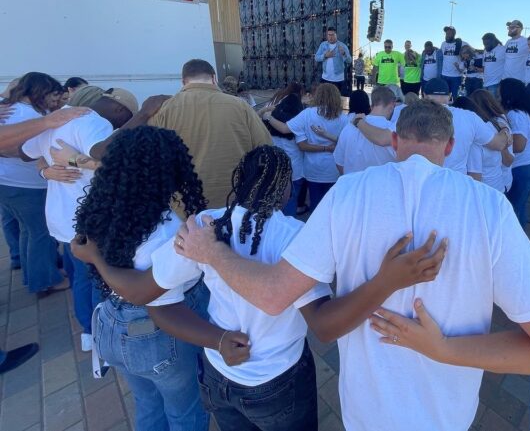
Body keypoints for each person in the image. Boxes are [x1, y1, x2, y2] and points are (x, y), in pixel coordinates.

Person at [175, 99, 530, 431]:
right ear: (450, 146)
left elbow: (274, 295)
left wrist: (212, 252)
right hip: (446, 408)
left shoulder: (348, 194)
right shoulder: (487, 205)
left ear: (395, 142)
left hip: (367, 406)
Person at [73, 145, 445, 431]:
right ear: (284, 191)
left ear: (240, 181)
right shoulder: (296, 237)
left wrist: (215, 340)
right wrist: (384, 282)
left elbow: (153, 298)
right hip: (277, 379)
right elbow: (324, 326)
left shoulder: (205, 224)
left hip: (219, 372)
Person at [73, 126, 209, 431]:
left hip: (113, 325)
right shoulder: (164, 231)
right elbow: (141, 292)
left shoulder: (107, 211)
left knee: (147, 404)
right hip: (156, 335)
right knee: (185, 412)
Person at [21, 84, 140, 351]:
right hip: (89, 218)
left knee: (80, 277)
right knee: (98, 277)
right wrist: (72, 160)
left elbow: (26, 152)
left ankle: (88, 331)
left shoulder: (58, 117)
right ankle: (101, 333)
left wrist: (45, 170)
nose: (123, 124)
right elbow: (114, 164)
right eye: (126, 117)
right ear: (117, 109)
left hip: (62, 218)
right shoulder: (93, 123)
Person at [146, 59, 272, 209]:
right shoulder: (240, 106)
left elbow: (152, 158)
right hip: (235, 202)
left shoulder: (164, 110)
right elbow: (266, 149)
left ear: (183, 81)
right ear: (214, 78)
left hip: (184, 206)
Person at [0, 72, 68, 294]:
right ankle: (46, 281)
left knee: (28, 231)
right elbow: (22, 150)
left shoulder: (10, 109)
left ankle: (33, 276)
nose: (55, 101)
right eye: (53, 95)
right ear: (41, 92)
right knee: (41, 233)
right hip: (26, 185)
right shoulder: (29, 116)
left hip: (8, 184)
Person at [265, 83, 345, 211]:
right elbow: (347, 142)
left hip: (313, 169)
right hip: (334, 169)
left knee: (316, 207)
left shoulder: (307, 114)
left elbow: (285, 129)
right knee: (333, 207)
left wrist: (269, 118)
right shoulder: (343, 118)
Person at [498, 78, 530, 227]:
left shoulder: (516, 114)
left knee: (513, 209)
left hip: (525, 167)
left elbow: (519, 146)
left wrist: (496, 144)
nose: (497, 96)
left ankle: (515, 244)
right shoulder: (527, 110)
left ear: (508, 95)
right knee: (520, 205)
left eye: (499, 93)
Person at [258, 92, 305, 217]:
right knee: (291, 200)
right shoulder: (298, 125)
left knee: (274, 203)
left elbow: (255, 118)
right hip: (296, 170)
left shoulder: (269, 124)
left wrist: (266, 110)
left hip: (275, 169)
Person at [335, 87, 396, 175]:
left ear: (372, 104)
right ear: (392, 105)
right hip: (383, 187)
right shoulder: (394, 131)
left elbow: (339, 163)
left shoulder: (349, 127)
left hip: (353, 186)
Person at [467, 90, 514, 192]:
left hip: (485, 190)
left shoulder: (477, 136)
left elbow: (475, 177)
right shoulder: (502, 124)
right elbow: (508, 162)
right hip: (501, 185)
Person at [314, 26, 351, 92]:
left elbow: (349, 61)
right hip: (325, 78)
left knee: (337, 101)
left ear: (336, 35)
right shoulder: (323, 45)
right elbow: (316, 57)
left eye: (332, 35)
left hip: (338, 80)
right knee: (324, 99)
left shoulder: (342, 46)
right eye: (329, 35)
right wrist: (325, 55)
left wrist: (344, 54)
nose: (330, 37)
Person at [440, 26, 468, 100]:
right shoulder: (443, 44)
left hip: (456, 76)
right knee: (444, 98)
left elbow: (471, 51)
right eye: (446, 33)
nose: (447, 35)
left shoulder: (462, 43)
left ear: (454, 34)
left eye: (449, 33)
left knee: (457, 98)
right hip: (444, 75)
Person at [481, 32, 506, 97]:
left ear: (493, 41)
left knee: (494, 105)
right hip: (485, 83)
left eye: (487, 44)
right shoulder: (485, 51)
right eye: (484, 44)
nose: (485, 46)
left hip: (496, 84)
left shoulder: (503, 49)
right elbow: (484, 67)